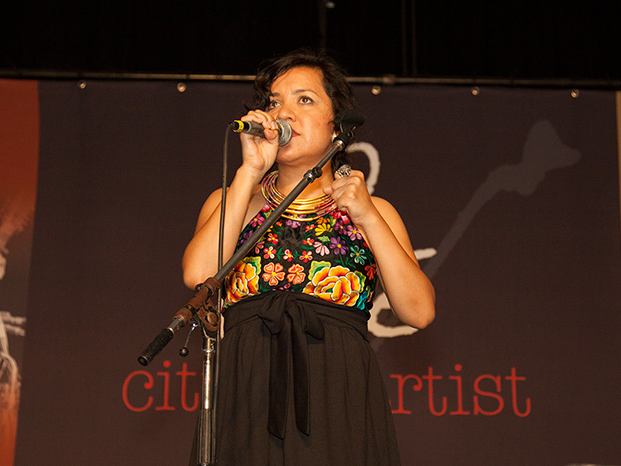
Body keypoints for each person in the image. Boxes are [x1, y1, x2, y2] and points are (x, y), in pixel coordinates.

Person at [182, 48, 435, 466]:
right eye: (275, 101)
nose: (284, 112)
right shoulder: (233, 199)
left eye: (304, 99)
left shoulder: (375, 210)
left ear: (338, 123)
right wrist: (249, 171)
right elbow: (198, 273)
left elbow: (419, 311)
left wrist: (368, 216)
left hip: (339, 394)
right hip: (247, 390)